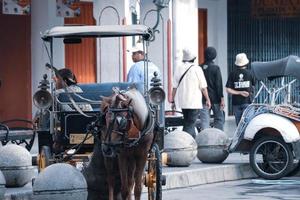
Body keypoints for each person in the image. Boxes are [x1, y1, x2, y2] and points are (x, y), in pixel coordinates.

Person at [171, 48, 211, 138]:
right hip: (194, 102)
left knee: (188, 122)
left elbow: (174, 87)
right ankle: (184, 142)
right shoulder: (197, 69)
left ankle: (192, 142)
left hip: (183, 102)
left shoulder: (179, 68)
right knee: (190, 123)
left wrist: (172, 100)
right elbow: (203, 87)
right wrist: (208, 99)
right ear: (193, 59)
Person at [199, 47, 225, 131]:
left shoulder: (199, 68)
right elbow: (219, 85)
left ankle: (205, 140)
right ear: (214, 56)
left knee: (204, 121)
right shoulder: (216, 68)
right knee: (219, 119)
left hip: (203, 98)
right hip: (216, 99)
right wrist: (222, 99)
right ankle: (219, 138)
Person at [226, 53, 255, 125]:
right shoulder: (250, 73)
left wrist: (239, 92)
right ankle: (246, 136)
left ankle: (240, 136)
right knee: (247, 124)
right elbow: (253, 86)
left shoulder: (232, 74)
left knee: (239, 125)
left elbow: (228, 89)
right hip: (248, 101)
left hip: (236, 103)